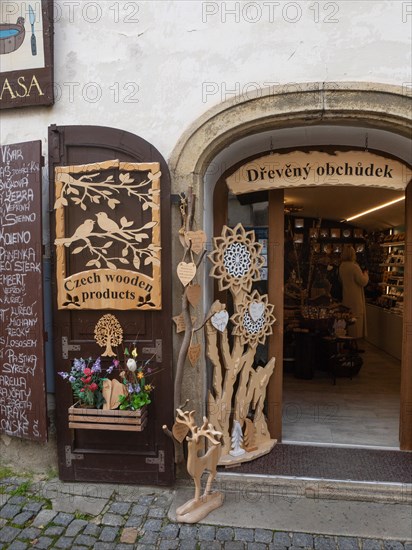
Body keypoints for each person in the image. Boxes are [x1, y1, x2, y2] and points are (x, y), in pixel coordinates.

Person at [339, 245, 369, 346]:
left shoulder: (342, 266)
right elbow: (363, 281)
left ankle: (348, 344)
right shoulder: (354, 266)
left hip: (346, 297)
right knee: (355, 321)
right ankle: (353, 344)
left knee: (348, 321)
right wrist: (366, 274)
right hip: (355, 298)